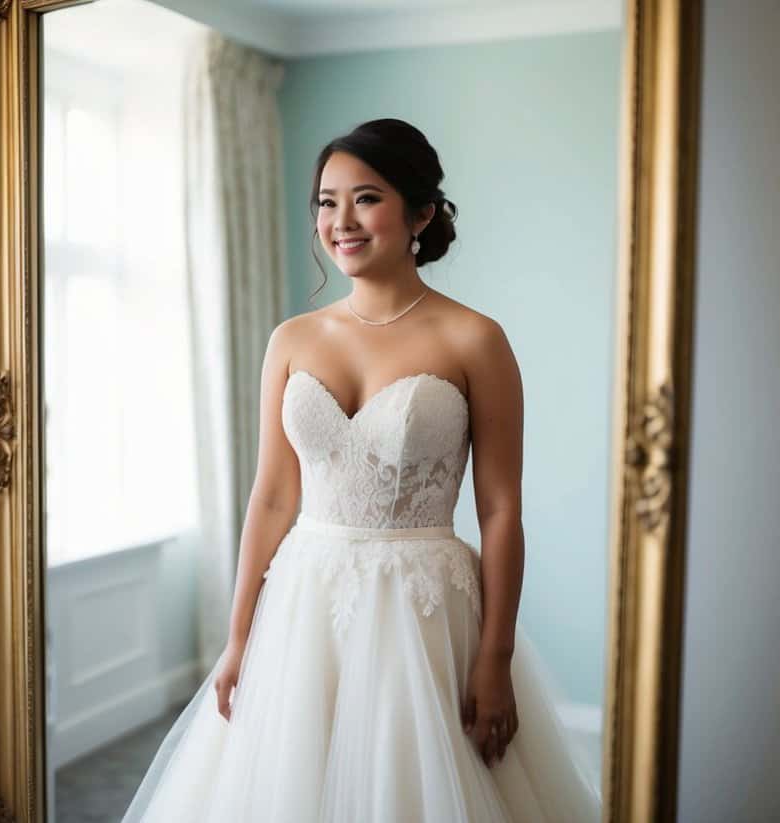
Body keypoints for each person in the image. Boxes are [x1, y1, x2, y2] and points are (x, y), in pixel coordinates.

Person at [120, 118, 600, 822]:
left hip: (425, 609)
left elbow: (500, 509)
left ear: (421, 213)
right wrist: (239, 636)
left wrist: (494, 658)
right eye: (325, 201)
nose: (339, 221)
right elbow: (274, 496)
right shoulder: (292, 339)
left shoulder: (474, 338)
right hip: (304, 603)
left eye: (365, 198)